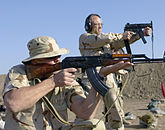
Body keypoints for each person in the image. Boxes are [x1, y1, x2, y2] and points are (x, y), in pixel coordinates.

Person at [2, 36, 133, 130]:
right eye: (52, 58)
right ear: (36, 61)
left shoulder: (64, 78)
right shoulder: (20, 72)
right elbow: (13, 103)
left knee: (95, 125)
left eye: (58, 56)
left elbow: (85, 112)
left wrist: (101, 76)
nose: (58, 60)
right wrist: (52, 82)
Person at [79, 14, 151, 130]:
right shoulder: (85, 38)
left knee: (115, 110)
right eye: (97, 24)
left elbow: (119, 43)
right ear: (89, 26)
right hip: (91, 78)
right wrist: (120, 35)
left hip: (108, 77)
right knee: (85, 114)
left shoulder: (106, 41)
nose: (100, 27)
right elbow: (101, 39)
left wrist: (139, 35)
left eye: (101, 24)